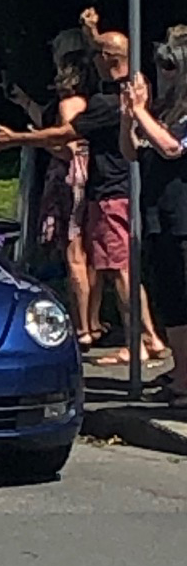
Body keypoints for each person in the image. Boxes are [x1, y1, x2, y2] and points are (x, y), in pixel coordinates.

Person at [0, 22, 172, 365]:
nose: (90, 60)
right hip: (118, 190)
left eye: (96, 54)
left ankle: (142, 340)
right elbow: (112, 51)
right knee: (121, 269)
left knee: (121, 271)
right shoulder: (136, 87)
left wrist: (15, 139)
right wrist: (91, 30)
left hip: (112, 192)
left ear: (108, 59)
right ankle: (149, 338)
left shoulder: (107, 102)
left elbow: (66, 133)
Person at [9, 34, 105, 348]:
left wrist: (40, 140)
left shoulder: (67, 104)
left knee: (74, 253)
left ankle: (81, 328)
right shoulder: (96, 103)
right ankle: (94, 321)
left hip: (67, 179)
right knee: (92, 256)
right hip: (93, 179)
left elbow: (68, 146)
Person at [124, 24, 187, 399]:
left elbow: (171, 147)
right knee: (171, 298)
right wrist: (128, 116)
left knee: (184, 292)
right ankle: (182, 372)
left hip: (182, 215)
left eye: (170, 66)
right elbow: (132, 149)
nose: (164, 74)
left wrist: (141, 112)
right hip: (156, 213)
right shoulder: (163, 108)